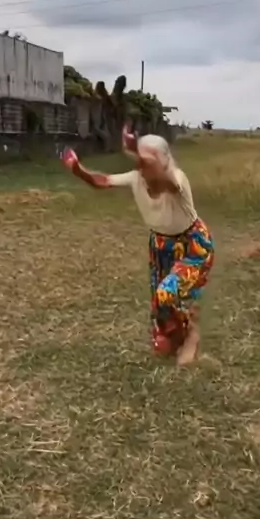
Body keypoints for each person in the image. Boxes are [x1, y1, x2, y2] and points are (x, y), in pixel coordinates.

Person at [61, 127, 214, 366]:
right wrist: (78, 170)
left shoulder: (176, 178)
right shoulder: (136, 177)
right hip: (161, 245)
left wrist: (137, 153)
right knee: (161, 316)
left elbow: (162, 182)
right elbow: (101, 181)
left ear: (165, 161)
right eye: (141, 159)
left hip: (192, 245)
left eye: (149, 160)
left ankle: (192, 335)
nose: (143, 165)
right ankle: (178, 334)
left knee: (167, 294)